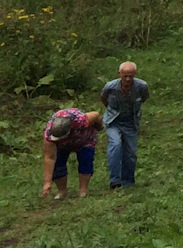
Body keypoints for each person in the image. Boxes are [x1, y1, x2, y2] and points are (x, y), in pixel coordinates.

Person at [100, 60, 150, 190]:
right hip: (113, 121)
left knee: (130, 153)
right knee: (115, 145)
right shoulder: (110, 87)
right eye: (125, 75)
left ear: (135, 74)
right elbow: (103, 98)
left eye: (130, 76)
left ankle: (128, 181)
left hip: (130, 122)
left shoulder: (141, 86)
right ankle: (115, 180)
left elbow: (144, 98)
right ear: (119, 74)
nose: (127, 79)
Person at [41, 107, 101, 200]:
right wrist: (47, 182)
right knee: (58, 163)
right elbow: (49, 157)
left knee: (86, 160)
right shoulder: (48, 135)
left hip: (85, 139)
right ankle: (62, 192)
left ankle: (83, 190)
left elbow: (96, 115)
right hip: (62, 146)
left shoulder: (80, 120)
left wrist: (100, 127)